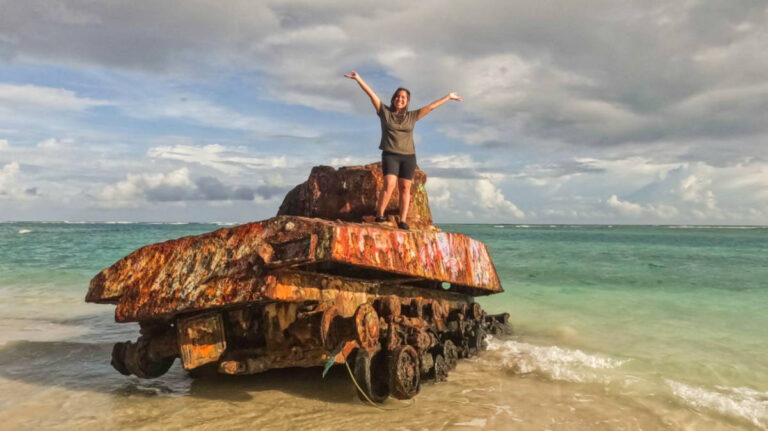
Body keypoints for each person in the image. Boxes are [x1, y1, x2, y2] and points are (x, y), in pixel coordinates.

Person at [344, 71, 462, 230]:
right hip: (390, 155)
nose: (400, 99)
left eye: (404, 98)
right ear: (394, 99)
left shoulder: (412, 116)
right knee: (389, 184)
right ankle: (379, 215)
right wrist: (358, 79)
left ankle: (403, 220)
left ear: (407, 102)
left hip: (409, 157)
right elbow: (371, 94)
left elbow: (431, 107)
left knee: (405, 188)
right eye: (398, 97)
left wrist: (448, 97)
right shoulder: (384, 113)